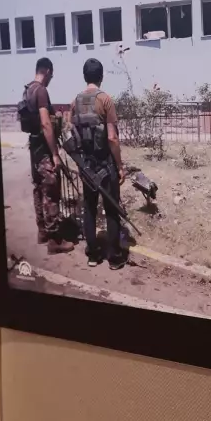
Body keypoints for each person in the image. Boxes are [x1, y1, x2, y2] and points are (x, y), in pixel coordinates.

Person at [69, 58, 127, 269]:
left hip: (86, 166)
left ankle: (93, 254)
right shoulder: (105, 100)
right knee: (111, 208)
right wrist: (120, 166)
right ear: (101, 76)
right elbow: (112, 137)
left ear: (85, 77)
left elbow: (72, 134)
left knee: (90, 208)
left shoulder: (75, 101)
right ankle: (114, 257)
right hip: (105, 165)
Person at [20, 58, 73, 254]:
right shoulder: (41, 90)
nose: (51, 78)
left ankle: (42, 231)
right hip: (43, 149)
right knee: (51, 190)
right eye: (52, 74)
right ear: (48, 71)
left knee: (39, 188)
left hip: (33, 147)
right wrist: (55, 154)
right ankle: (55, 240)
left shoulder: (28, 90)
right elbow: (45, 124)